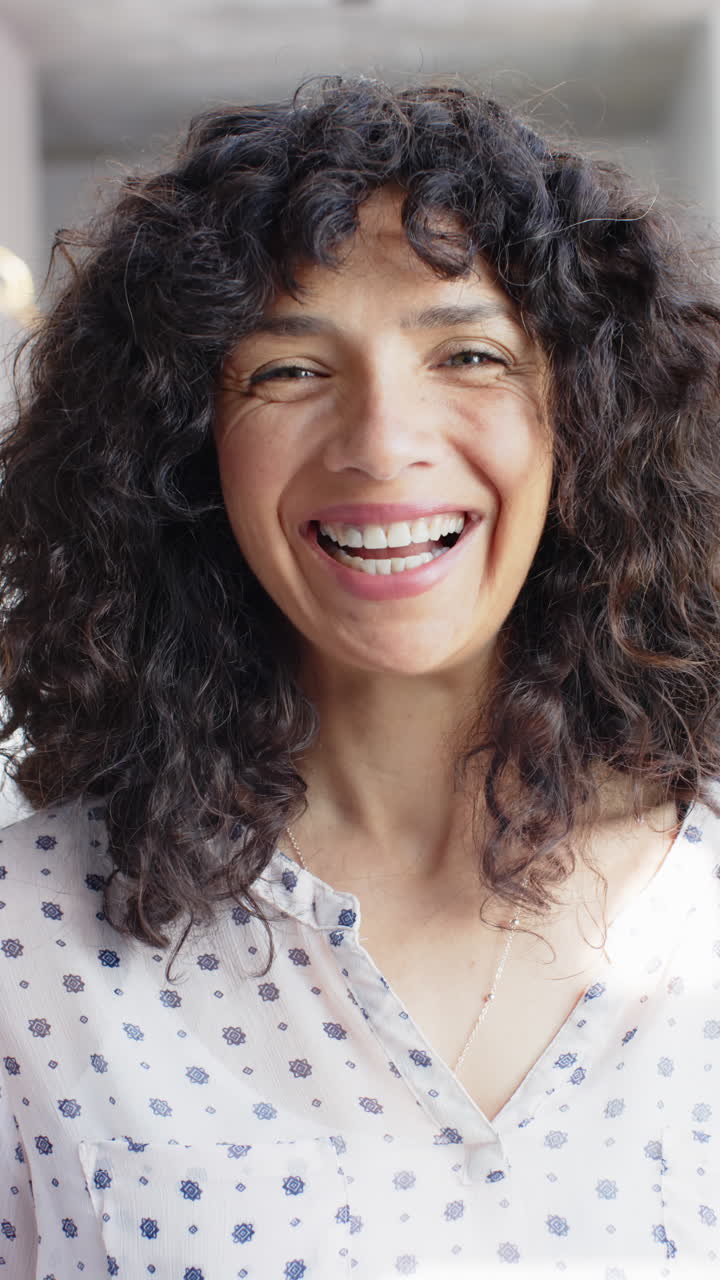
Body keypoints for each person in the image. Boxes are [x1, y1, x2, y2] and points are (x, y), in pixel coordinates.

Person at [0, 76, 719, 1280]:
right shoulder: (26, 946)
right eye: (287, 369)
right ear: (184, 446)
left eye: (472, 353)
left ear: (586, 417)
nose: (383, 441)